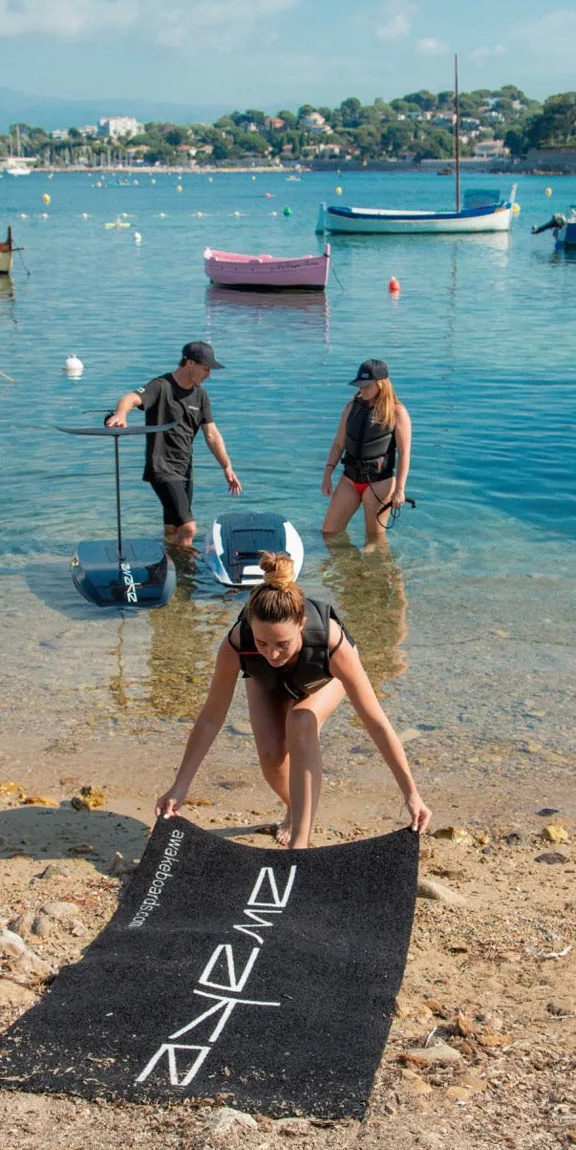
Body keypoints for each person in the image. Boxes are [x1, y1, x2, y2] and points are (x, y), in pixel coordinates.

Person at [155, 551, 431, 849]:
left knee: (300, 720)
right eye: (262, 643)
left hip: (321, 676)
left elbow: (376, 722)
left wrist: (411, 793)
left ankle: (299, 845)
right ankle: (298, 809)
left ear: (301, 623)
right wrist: (179, 786)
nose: (272, 654)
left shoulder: (333, 644)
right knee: (273, 760)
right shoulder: (236, 644)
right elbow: (211, 718)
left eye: (282, 644)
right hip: (267, 682)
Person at [106, 340, 241, 548]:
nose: (208, 375)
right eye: (205, 369)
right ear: (189, 363)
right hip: (161, 467)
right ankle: (186, 577)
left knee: (173, 528)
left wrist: (226, 466)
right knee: (189, 528)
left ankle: (168, 566)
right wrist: (121, 414)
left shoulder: (201, 396)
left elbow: (211, 434)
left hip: (184, 469)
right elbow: (130, 398)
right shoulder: (161, 386)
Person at [321, 359, 411, 539]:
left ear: (381, 384)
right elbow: (339, 443)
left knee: (374, 541)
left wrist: (400, 490)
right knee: (328, 533)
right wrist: (327, 475)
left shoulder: (396, 412)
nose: (362, 389)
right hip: (350, 479)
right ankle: (344, 566)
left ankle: (377, 568)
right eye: (359, 385)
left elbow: (404, 452)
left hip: (379, 483)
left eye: (366, 385)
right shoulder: (351, 407)